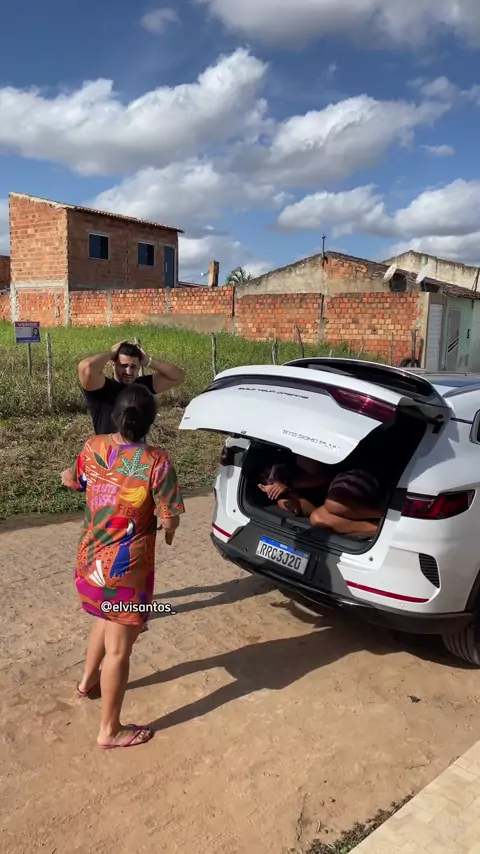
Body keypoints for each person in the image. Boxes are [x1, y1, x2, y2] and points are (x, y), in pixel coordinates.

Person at [61, 383, 185, 749]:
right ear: (151, 421)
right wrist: (168, 531)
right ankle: (109, 730)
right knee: (119, 650)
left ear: (117, 416)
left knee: (104, 619)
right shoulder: (156, 461)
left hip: (89, 562)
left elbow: (74, 480)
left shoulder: (94, 446)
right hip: (125, 573)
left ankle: (86, 684)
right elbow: (169, 517)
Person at [78, 340, 185, 435]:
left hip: (137, 451)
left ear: (139, 367)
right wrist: (111, 353)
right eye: (124, 366)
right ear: (113, 365)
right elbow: (86, 367)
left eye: (133, 367)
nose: (128, 372)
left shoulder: (141, 387)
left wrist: (149, 361)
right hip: (108, 450)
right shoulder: (102, 388)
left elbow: (177, 376)